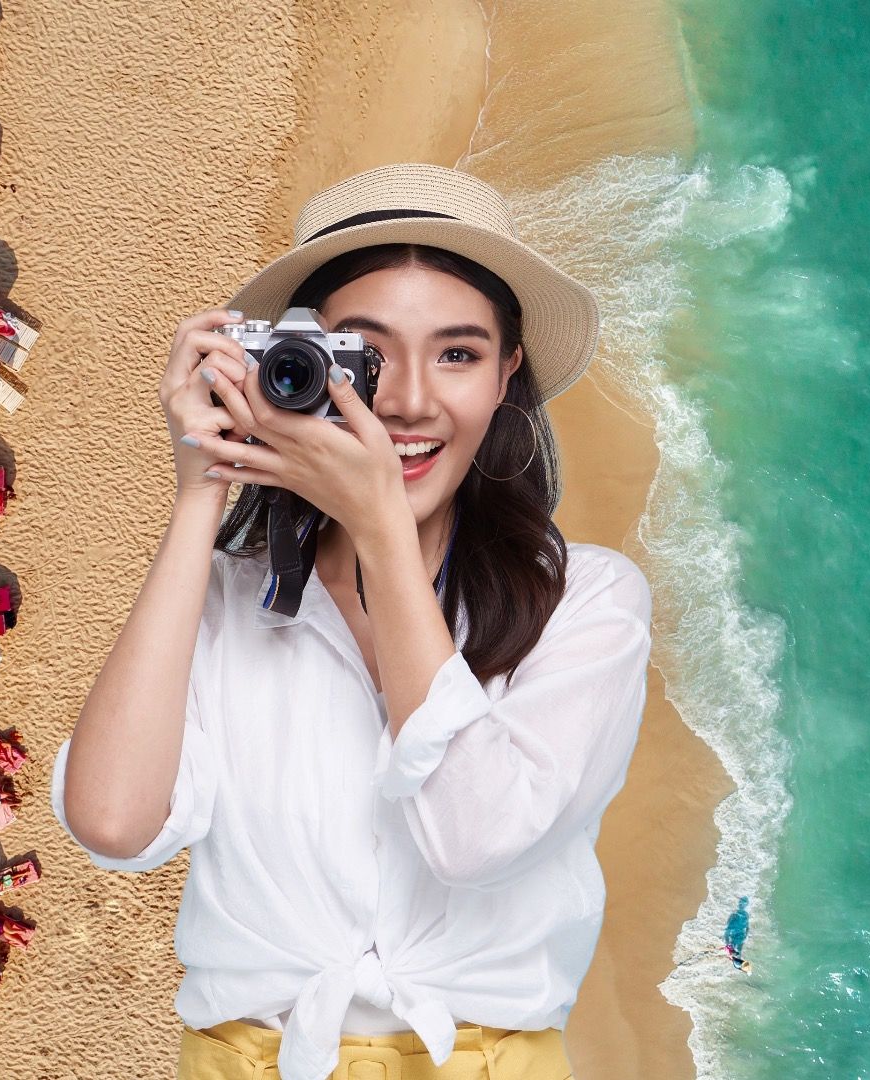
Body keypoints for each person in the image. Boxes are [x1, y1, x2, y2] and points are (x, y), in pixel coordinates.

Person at [51, 163, 652, 1080]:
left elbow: (474, 836)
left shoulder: (589, 603)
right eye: (364, 358)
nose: (409, 401)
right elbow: (111, 821)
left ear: (507, 377)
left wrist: (379, 530)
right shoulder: (220, 601)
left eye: (459, 354)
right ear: (286, 371)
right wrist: (198, 500)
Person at [723, 896, 752, 972]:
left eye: (743, 903)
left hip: (741, 935)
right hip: (734, 935)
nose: (741, 905)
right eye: (741, 903)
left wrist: (746, 934)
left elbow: (747, 926)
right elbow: (727, 930)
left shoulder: (745, 914)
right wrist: (727, 942)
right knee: (734, 951)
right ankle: (734, 962)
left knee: (738, 950)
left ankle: (737, 964)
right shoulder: (734, 915)